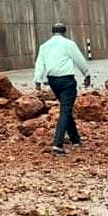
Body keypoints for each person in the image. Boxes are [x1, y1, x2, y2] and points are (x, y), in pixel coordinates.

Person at [33, 22, 92, 156]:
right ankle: (57, 144)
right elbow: (79, 59)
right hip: (67, 81)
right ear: (64, 31)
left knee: (66, 108)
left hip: (53, 81)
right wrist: (86, 74)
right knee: (65, 110)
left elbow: (40, 64)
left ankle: (75, 139)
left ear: (52, 31)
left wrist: (37, 81)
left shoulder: (44, 46)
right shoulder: (68, 44)